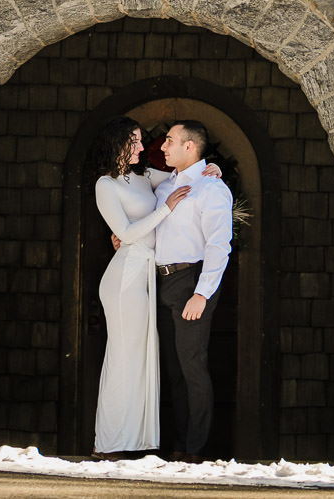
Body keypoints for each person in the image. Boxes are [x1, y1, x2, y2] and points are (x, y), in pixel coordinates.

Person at [90, 116, 218, 457]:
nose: (144, 147)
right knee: (123, 355)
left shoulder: (145, 177)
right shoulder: (106, 185)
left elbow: (186, 175)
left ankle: (136, 441)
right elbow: (129, 233)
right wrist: (166, 209)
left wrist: (214, 168)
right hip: (125, 277)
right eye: (134, 141)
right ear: (117, 143)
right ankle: (110, 441)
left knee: (142, 358)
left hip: (147, 275)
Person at [153, 119, 234, 462]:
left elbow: (219, 245)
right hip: (161, 281)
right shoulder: (162, 186)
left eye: (169, 141)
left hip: (192, 281)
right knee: (173, 370)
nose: (162, 146)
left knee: (192, 367)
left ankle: (196, 449)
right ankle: (178, 443)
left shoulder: (211, 188)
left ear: (190, 147)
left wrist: (202, 294)